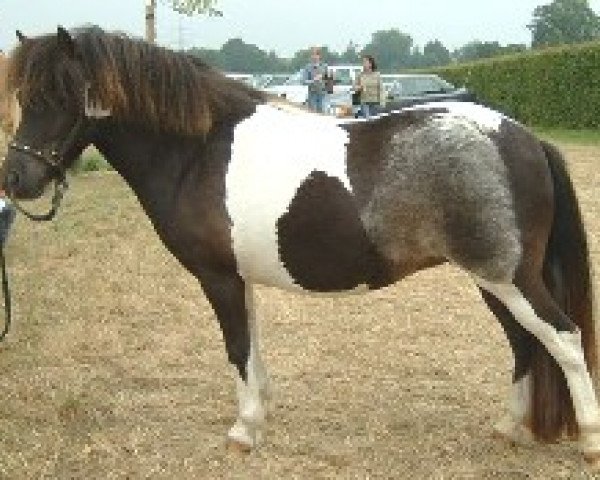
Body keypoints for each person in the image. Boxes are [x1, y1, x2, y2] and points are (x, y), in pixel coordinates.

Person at [303, 47, 328, 113]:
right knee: (312, 113)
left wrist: (324, 79)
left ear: (319, 56)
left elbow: (328, 80)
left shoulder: (324, 66)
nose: (315, 56)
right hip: (312, 94)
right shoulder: (307, 67)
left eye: (316, 54)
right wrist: (313, 80)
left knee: (322, 113)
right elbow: (304, 81)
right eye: (313, 54)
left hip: (322, 94)